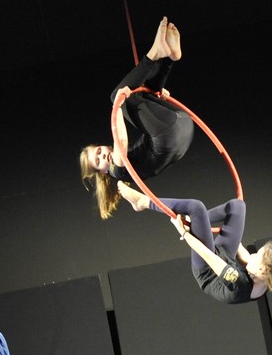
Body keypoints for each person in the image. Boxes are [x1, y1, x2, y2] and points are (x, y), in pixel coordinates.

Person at [117, 182, 272, 304]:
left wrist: (184, 232)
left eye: (257, 256)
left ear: (263, 270)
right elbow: (243, 255)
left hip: (208, 271)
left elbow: (209, 256)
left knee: (196, 207)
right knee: (238, 207)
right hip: (226, 259)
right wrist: (225, 230)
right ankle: (196, 220)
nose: (254, 253)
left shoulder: (239, 280)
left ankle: (142, 202)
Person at [80, 16, 194, 219]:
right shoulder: (116, 170)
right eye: (98, 161)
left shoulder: (133, 158)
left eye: (98, 151)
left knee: (144, 93)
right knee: (116, 96)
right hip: (171, 135)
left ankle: (169, 58)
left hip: (182, 128)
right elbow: (121, 141)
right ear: (102, 171)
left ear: (104, 146)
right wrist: (117, 106)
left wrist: (156, 102)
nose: (102, 156)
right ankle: (154, 54)